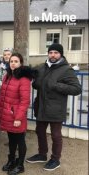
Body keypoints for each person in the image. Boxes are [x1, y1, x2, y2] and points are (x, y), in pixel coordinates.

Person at [26, 43, 82, 171]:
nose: (53, 55)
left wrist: (56, 85)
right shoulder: (42, 67)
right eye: (51, 52)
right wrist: (36, 83)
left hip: (56, 108)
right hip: (41, 106)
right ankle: (42, 154)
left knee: (56, 135)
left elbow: (77, 89)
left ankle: (55, 159)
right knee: (40, 131)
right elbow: (37, 84)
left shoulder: (66, 70)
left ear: (60, 54)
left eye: (56, 53)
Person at [0, 53, 33, 175]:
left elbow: (25, 101)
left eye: (16, 61)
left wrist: (18, 117)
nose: (13, 63)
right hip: (7, 114)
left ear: (20, 63)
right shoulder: (7, 76)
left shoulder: (24, 79)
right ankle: (11, 160)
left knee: (20, 140)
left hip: (16, 116)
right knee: (11, 139)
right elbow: (2, 96)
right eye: (11, 61)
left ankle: (20, 164)